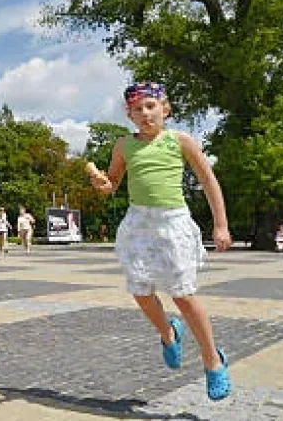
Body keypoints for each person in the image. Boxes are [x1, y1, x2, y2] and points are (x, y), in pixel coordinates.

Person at [85, 81, 233, 402]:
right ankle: (168, 333)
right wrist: (102, 183)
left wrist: (220, 224)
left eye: (151, 107)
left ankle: (212, 360)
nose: (145, 114)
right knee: (140, 291)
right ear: (129, 115)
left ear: (165, 109)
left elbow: (208, 180)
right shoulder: (124, 146)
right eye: (137, 110)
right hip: (139, 222)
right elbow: (112, 183)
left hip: (172, 222)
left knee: (183, 296)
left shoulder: (180, 141)